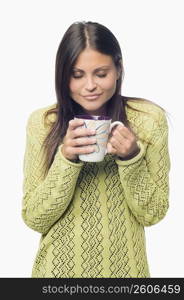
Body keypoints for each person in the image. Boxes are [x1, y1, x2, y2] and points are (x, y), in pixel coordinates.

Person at [22, 21, 170, 278]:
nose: (89, 85)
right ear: (62, 75)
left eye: (101, 73)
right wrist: (66, 159)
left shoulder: (148, 119)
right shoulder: (43, 123)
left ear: (119, 69)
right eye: (77, 75)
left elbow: (153, 214)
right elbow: (35, 218)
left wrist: (131, 158)